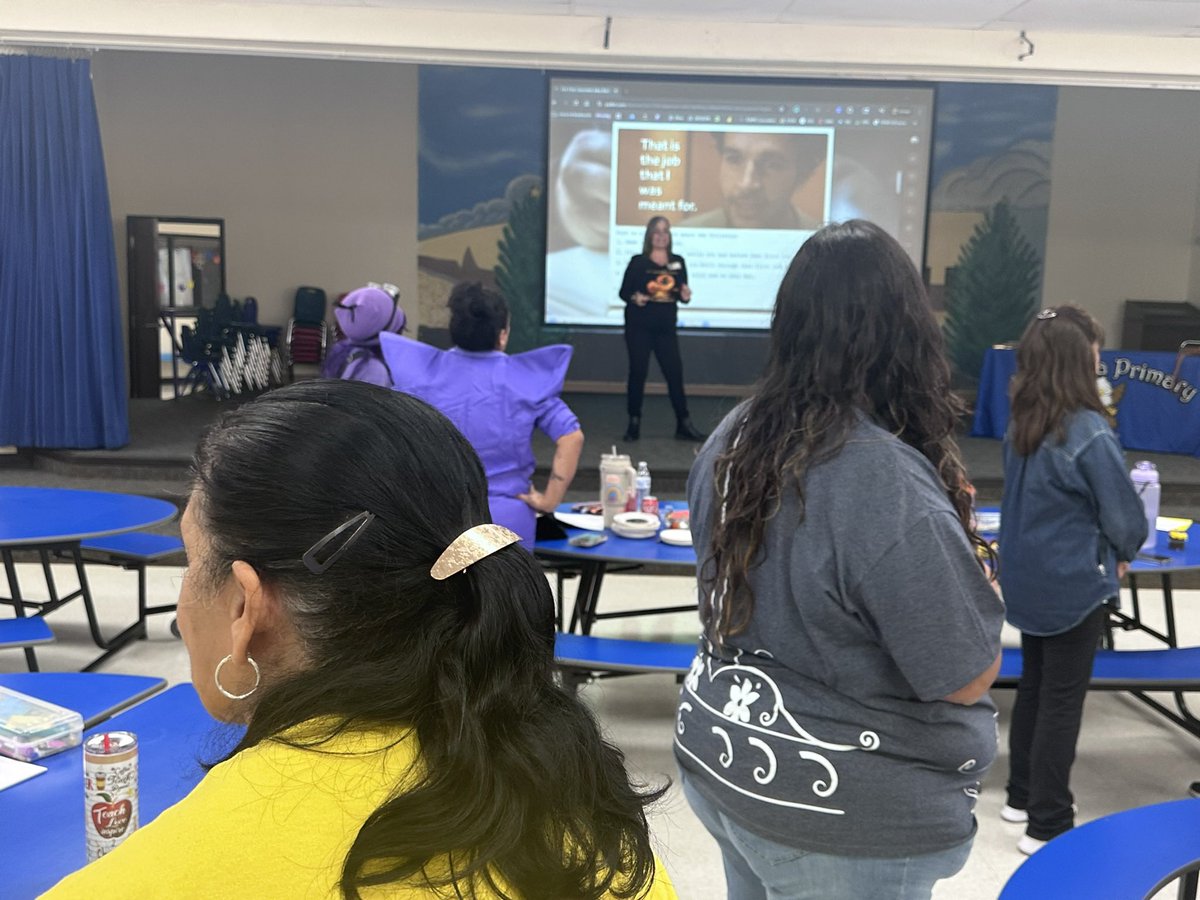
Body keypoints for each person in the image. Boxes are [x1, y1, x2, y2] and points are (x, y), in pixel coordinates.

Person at [44, 380, 675, 899]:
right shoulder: (583, 805)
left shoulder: (158, 878)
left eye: (191, 558)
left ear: (245, 607)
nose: (184, 604)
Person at [674, 220, 1004, 900]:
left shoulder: (736, 433)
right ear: (907, 330)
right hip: (835, 810)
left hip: (727, 761)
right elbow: (965, 675)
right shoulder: (880, 479)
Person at [998, 305, 1147, 856]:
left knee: (1034, 689)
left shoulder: (1023, 421)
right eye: (1094, 354)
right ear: (1076, 362)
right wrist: (1123, 550)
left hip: (1028, 581)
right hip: (1074, 586)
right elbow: (1125, 516)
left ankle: (1019, 796)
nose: (1100, 362)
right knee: (1062, 700)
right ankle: (1048, 821)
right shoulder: (1086, 430)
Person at [379, 283, 583, 547]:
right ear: (502, 334)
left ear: (454, 329)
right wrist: (549, 500)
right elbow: (572, 437)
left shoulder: (421, 377)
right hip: (507, 519)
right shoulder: (524, 382)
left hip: (435, 515)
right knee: (508, 589)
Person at [618, 217, 705, 442]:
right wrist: (634, 297)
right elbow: (623, 292)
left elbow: (680, 294)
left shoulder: (678, 261)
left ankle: (683, 423)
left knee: (674, 373)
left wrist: (685, 295)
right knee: (638, 372)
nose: (661, 235)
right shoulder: (638, 262)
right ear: (649, 235)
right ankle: (633, 422)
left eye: (665, 231)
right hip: (639, 326)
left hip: (665, 327)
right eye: (656, 231)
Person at [683, 132, 827, 230]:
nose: (747, 183)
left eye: (772, 165)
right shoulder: (682, 235)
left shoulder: (824, 244)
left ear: (801, 174)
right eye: (734, 159)